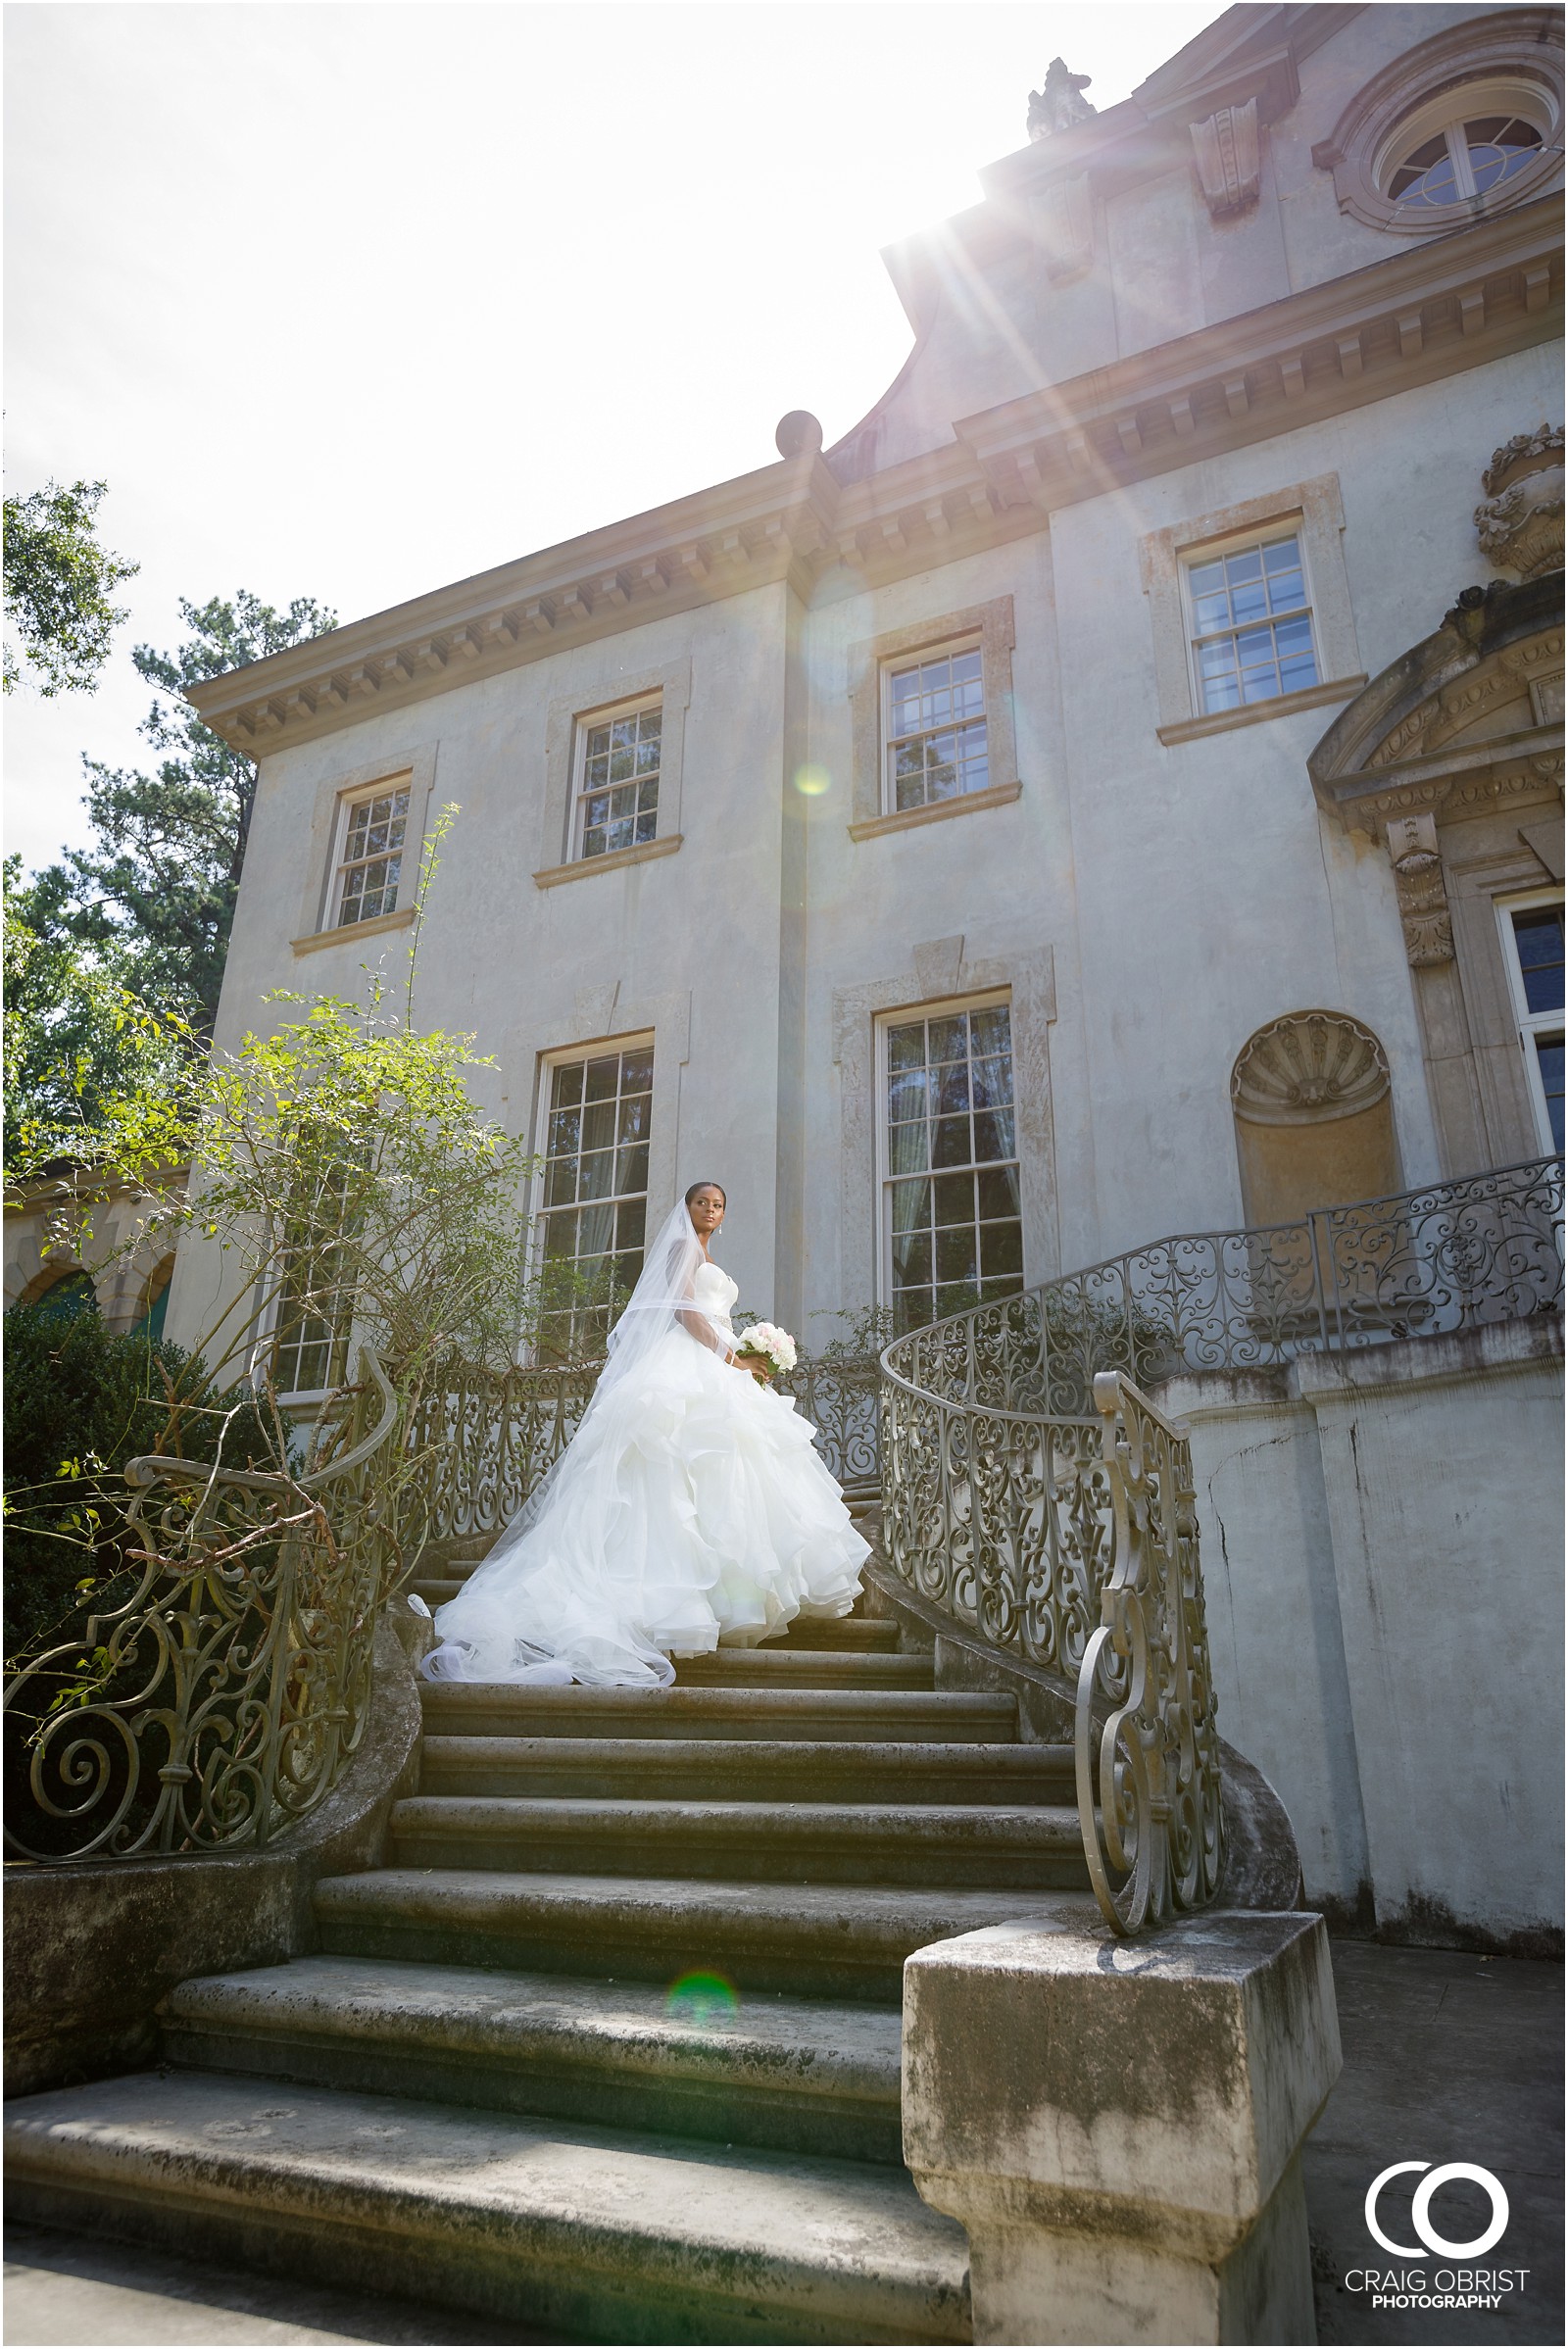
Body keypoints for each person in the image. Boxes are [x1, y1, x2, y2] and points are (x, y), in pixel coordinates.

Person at [421, 1182, 870, 1688]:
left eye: (719, 1204)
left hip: (717, 1355)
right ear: (687, 1209)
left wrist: (752, 1353)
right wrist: (731, 1358)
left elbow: (711, 1313)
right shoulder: (682, 1247)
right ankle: (673, 1604)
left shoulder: (706, 1251)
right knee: (673, 1469)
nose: (710, 1210)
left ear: (724, 1214)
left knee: (731, 1472)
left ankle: (731, 1599)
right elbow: (683, 1309)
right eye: (702, 1202)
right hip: (693, 1359)